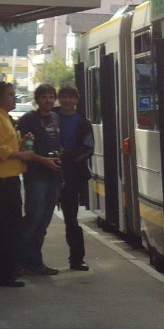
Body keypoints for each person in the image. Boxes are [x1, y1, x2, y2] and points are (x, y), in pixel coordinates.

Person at [0, 82, 36, 287]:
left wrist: (22, 142)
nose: (14, 98)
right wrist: (21, 154)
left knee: (6, 227)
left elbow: (6, 144)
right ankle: (2, 273)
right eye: (9, 94)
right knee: (8, 227)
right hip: (2, 178)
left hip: (10, 176)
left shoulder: (4, 117)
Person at [15, 84, 63, 275]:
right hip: (35, 176)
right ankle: (18, 261)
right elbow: (24, 149)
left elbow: (58, 147)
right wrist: (44, 161)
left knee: (43, 222)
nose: (48, 100)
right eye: (44, 97)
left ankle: (35, 263)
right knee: (33, 220)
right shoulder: (28, 119)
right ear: (37, 100)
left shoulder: (55, 118)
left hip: (53, 176)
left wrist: (61, 175)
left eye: (51, 97)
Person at [56, 85, 94, 272]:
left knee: (71, 219)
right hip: (48, 171)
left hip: (72, 174)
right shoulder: (50, 117)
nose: (67, 100)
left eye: (71, 97)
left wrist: (66, 156)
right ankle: (30, 259)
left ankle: (77, 259)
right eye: (63, 97)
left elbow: (88, 149)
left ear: (76, 100)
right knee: (38, 218)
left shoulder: (83, 122)